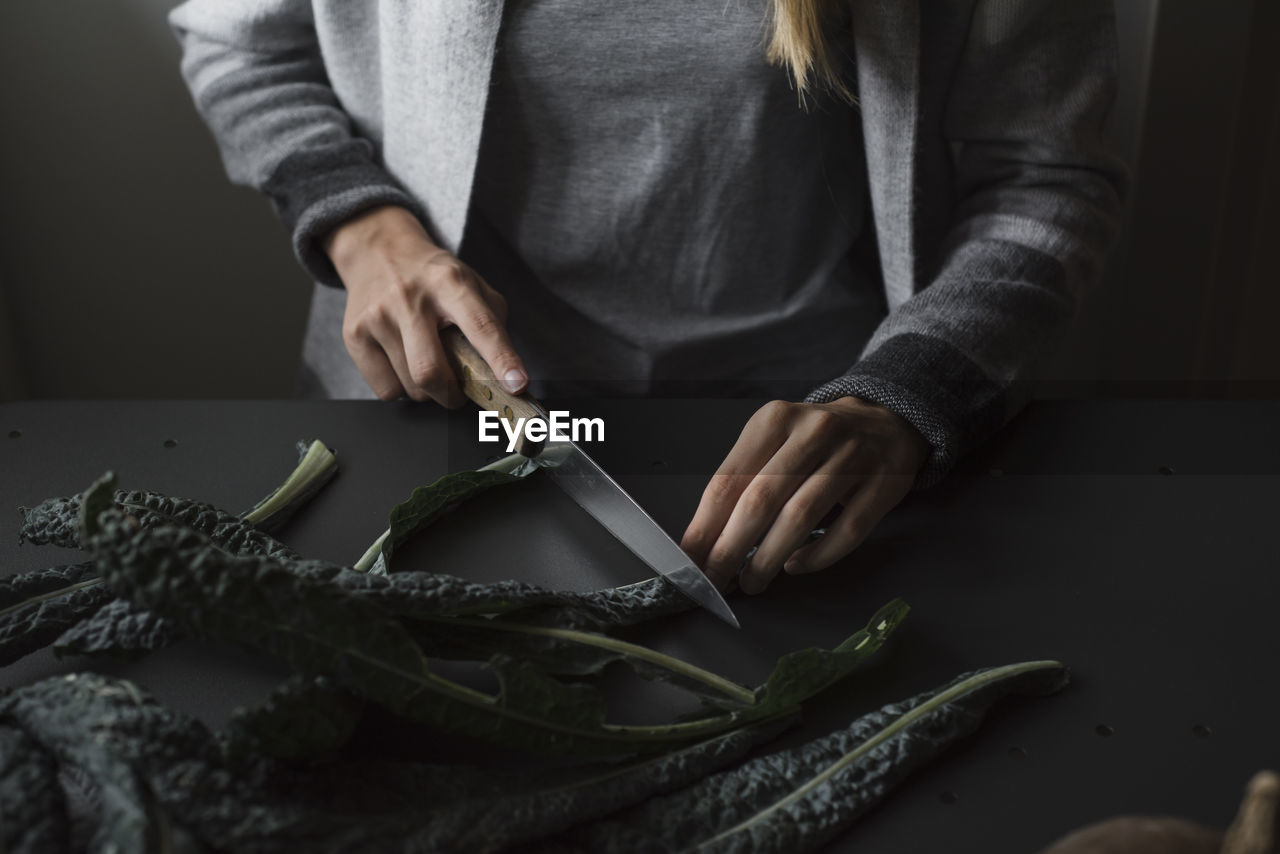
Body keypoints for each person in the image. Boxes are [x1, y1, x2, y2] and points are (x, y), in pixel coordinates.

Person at [169, 0, 1126, 595]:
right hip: (431, 421)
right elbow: (240, 45)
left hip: (804, 476)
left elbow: (1045, 179)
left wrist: (905, 396)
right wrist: (364, 227)